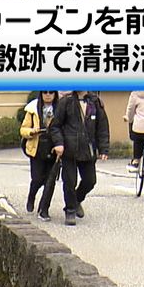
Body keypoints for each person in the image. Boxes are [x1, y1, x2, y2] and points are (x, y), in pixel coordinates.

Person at [48, 90, 110, 226]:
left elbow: (102, 127)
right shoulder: (66, 101)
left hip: (88, 149)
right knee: (70, 181)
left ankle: (76, 200)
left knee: (90, 181)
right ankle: (70, 210)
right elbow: (55, 126)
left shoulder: (95, 102)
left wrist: (104, 148)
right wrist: (59, 143)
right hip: (69, 150)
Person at [20, 91, 59, 217]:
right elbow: (23, 129)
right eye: (45, 92)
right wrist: (32, 131)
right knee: (37, 179)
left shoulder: (60, 108)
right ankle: (31, 196)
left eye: (51, 92)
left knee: (50, 181)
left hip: (53, 148)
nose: (48, 95)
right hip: (37, 148)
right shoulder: (33, 109)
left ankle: (44, 209)